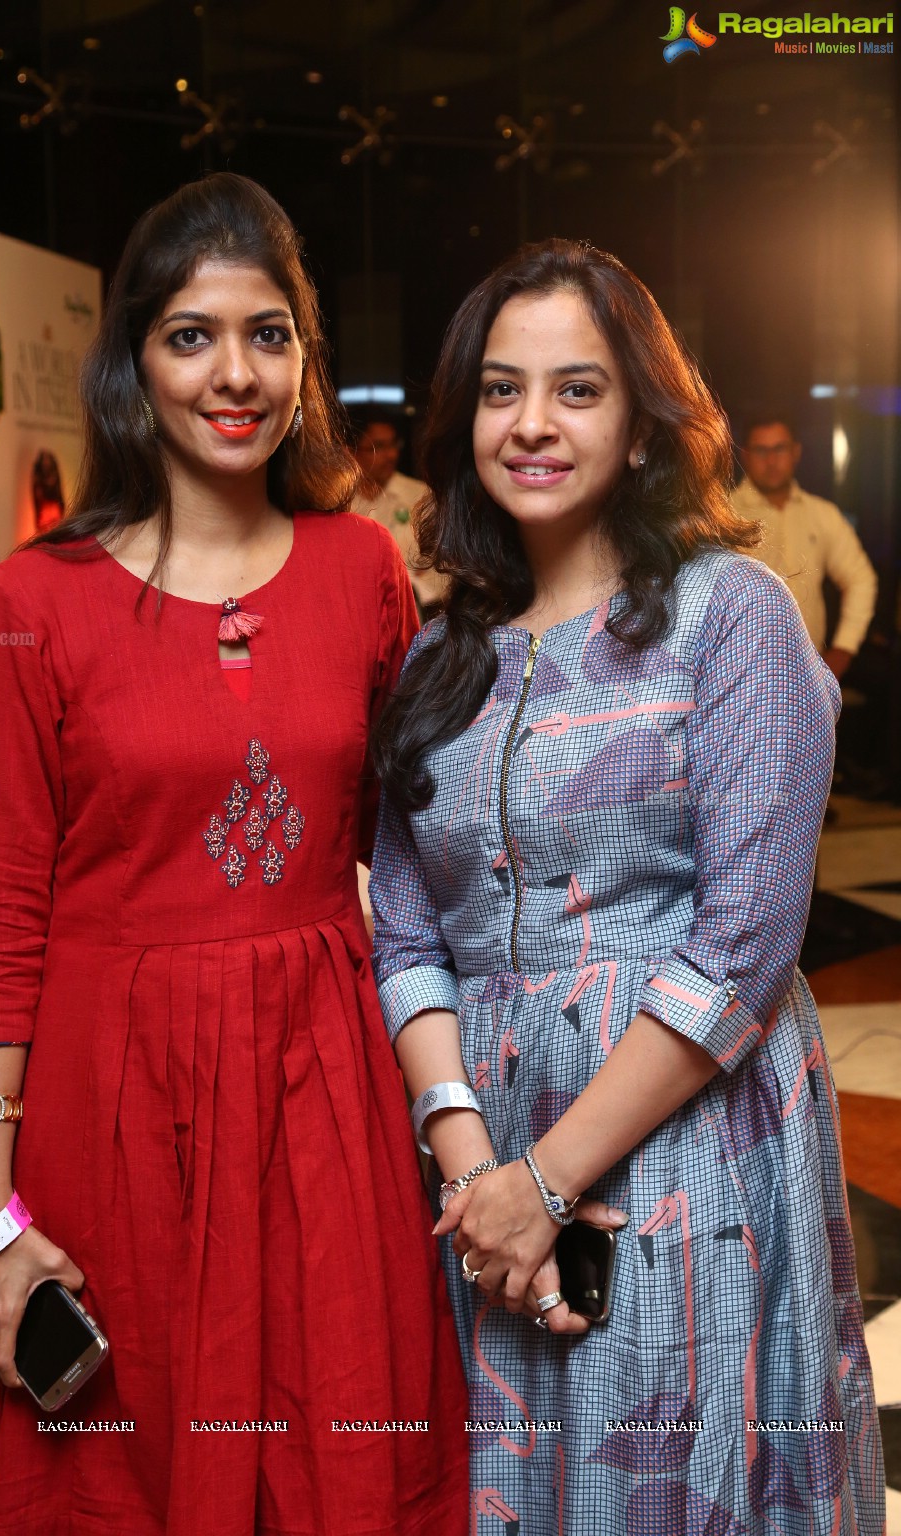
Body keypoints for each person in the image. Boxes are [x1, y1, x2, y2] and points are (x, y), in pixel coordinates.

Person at [0, 173, 468, 1536]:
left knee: (333, 1429)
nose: (235, 375)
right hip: (112, 1089)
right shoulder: (31, 601)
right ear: (133, 360)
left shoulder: (362, 565)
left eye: (268, 334)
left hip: (322, 1075)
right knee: (123, 1461)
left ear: (305, 355)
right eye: (191, 336)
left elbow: (415, 852)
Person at [368, 238, 884, 1535]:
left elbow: (745, 948)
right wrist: (475, 1168)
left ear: (646, 427)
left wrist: (547, 1182)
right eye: (500, 389)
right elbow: (408, 932)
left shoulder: (730, 614)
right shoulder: (437, 655)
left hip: (679, 1133)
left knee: (662, 1478)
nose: (532, 422)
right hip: (476, 1156)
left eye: (578, 389)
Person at [730, 414, 876, 680]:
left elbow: (860, 578)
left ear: (795, 452)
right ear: (746, 455)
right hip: (740, 675)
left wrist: (843, 649)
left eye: (780, 448)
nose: (771, 460)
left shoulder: (822, 514)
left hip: (810, 673)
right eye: (761, 450)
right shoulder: (725, 515)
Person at [350, 407, 447, 615]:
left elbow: (442, 562)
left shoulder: (420, 495)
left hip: (417, 612)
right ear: (352, 452)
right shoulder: (338, 502)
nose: (391, 454)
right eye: (378, 447)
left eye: (393, 444)